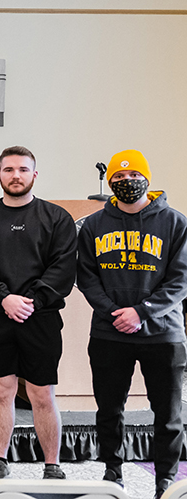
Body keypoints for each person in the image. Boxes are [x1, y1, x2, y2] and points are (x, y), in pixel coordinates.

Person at [0, 147, 77, 484]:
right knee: (1, 390)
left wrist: (28, 302)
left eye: (23, 170)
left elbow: (63, 269)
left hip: (40, 318)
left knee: (42, 393)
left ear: (34, 175)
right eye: (9, 169)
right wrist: (4, 298)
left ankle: (52, 466)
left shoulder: (57, 218)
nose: (16, 175)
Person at [76, 150, 187, 499]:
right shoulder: (93, 225)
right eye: (119, 179)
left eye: (133, 176)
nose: (127, 182)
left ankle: (165, 482)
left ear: (147, 179)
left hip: (163, 334)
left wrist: (142, 312)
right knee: (109, 410)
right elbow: (86, 276)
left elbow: (181, 279)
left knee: (168, 415)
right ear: (110, 184)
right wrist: (114, 312)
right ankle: (113, 473)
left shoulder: (174, 222)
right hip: (110, 333)